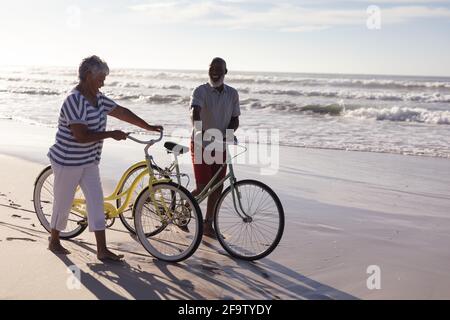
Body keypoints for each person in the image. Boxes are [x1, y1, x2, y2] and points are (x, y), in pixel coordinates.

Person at [48, 55, 162, 261]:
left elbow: (121, 112)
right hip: (68, 160)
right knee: (63, 202)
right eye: (101, 76)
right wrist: (110, 134)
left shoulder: (98, 97)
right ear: (89, 75)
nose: (104, 81)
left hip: (89, 160)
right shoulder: (74, 100)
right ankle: (54, 240)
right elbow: (81, 136)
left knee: (96, 202)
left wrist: (148, 126)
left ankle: (102, 250)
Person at [189, 57, 240, 238]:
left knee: (217, 186)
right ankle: (185, 205)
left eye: (220, 68)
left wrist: (229, 134)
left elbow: (235, 119)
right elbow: (195, 112)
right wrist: (200, 132)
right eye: (212, 67)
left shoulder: (232, 94)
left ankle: (207, 224)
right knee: (203, 187)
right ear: (208, 70)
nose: (215, 71)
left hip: (221, 144)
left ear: (226, 72)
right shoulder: (201, 90)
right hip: (201, 143)